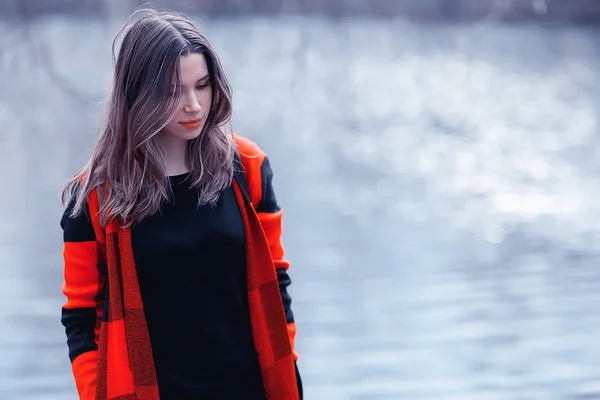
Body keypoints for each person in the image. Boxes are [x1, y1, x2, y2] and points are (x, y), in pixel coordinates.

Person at [59, 7, 302, 400]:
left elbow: (276, 283)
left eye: (202, 85)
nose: (193, 105)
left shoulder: (248, 169)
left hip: (250, 388)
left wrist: (289, 375)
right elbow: (81, 317)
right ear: (139, 93)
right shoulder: (94, 197)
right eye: (174, 91)